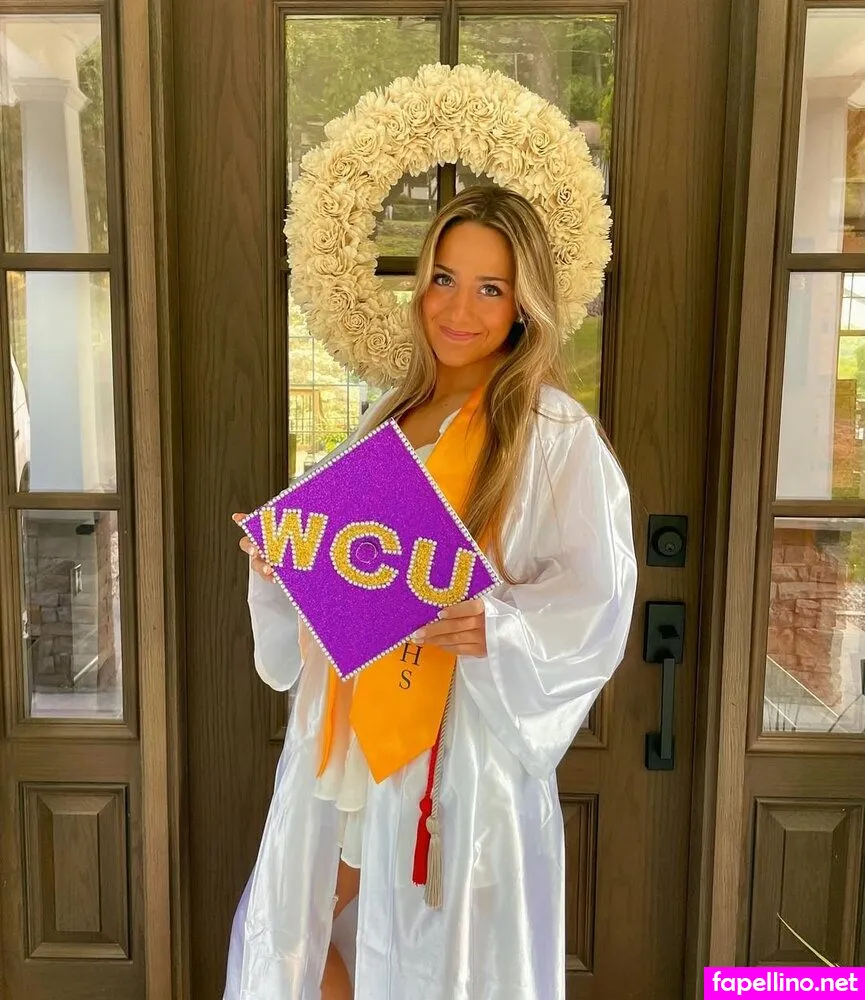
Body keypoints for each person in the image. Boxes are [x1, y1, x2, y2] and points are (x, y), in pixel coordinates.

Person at [225, 186, 637, 1000]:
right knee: (298, 939)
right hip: (347, 738)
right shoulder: (391, 414)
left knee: (429, 962)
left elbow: (595, 596)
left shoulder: (550, 431)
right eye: (444, 278)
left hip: (454, 751)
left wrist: (499, 628)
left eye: (490, 288)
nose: (458, 309)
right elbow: (347, 578)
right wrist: (281, 566)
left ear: (523, 304)